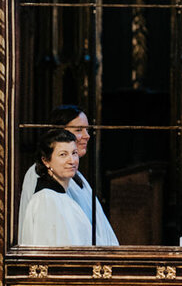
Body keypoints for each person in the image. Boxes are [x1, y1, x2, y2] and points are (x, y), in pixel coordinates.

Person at [18, 105, 118, 246]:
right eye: (78, 129)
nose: (87, 135)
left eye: (87, 129)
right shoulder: (43, 184)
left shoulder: (76, 176)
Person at [19, 129, 94, 248]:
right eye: (63, 154)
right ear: (46, 161)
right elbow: (47, 253)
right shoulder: (45, 200)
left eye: (74, 153)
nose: (72, 161)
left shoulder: (62, 196)